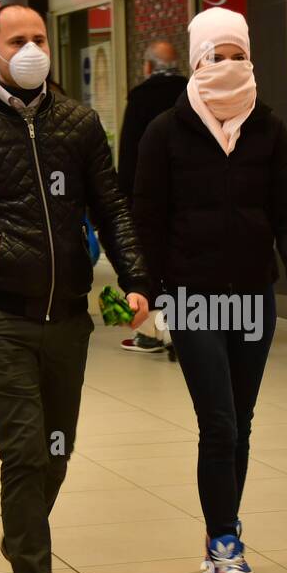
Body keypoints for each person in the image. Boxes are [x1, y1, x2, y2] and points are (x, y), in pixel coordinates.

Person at [0, 4, 152, 573]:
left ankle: (18, 532)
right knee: (24, 448)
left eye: (39, 39)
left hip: (69, 319)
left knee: (58, 448)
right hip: (1, 315)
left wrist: (136, 278)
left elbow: (112, 207)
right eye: (17, 40)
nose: (31, 49)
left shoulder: (78, 124)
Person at [133, 7, 287, 573]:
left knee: (240, 425)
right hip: (192, 298)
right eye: (219, 55)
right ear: (196, 60)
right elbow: (147, 220)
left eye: (239, 53)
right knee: (217, 423)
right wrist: (156, 295)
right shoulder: (166, 131)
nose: (231, 65)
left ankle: (226, 524)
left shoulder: (267, 127)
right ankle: (223, 547)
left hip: (250, 297)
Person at [117, 41, 188, 354]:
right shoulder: (191, 92)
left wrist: (124, 195)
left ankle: (151, 333)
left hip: (149, 194)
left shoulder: (140, 98)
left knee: (147, 260)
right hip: (187, 195)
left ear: (148, 66)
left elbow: (129, 153)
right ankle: (182, 330)